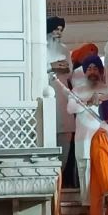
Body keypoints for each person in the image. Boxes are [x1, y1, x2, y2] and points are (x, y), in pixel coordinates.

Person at [66, 54, 108, 205]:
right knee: (85, 170)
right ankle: (87, 203)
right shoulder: (77, 90)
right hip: (83, 138)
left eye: (95, 68)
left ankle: (103, 201)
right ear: (84, 73)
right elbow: (70, 109)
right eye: (89, 69)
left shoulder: (107, 90)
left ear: (101, 71)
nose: (92, 71)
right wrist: (88, 102)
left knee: (102, 169)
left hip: (102, 138)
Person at [46, 16, 74, 171]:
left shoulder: (64, 50)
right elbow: (35, 71)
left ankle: (60, 176)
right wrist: (51, 66)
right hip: (47, 98)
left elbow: (69, 72)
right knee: (48, 136)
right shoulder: (40, 48)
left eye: (61, 30)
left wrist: (63, 68)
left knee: (65, 138)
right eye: (56, 29)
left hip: (63, 98)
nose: (59, 32)